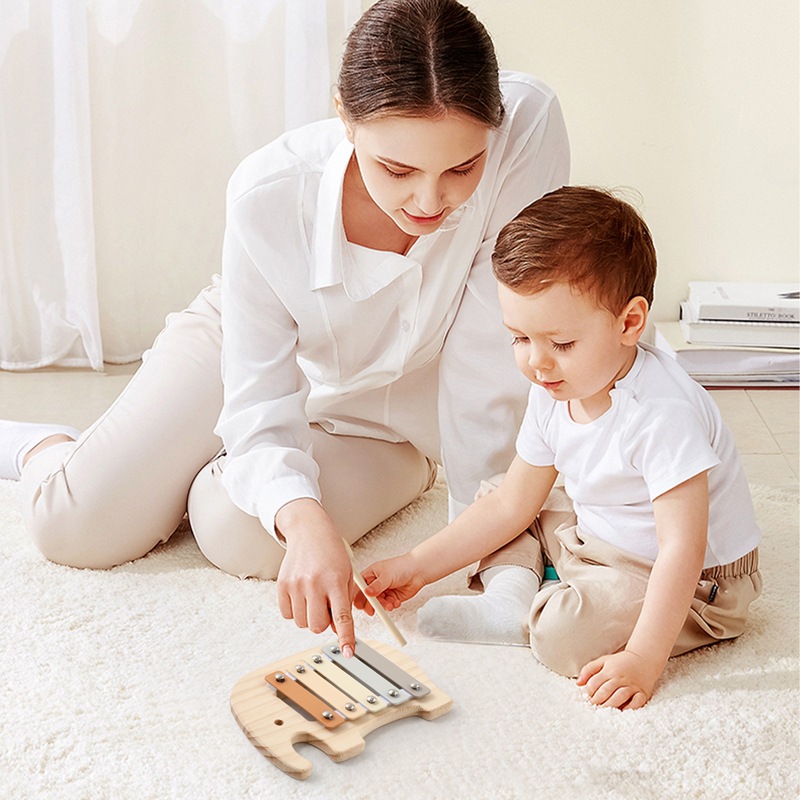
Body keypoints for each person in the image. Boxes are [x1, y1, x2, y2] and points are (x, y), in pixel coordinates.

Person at [0, 0, 569, 659]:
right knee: (73, 525)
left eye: (461, 170)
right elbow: (258, 395)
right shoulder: (268, 193)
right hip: (248, 346)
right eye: (398, 170)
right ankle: (49, 447)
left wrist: (484, 536)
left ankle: (260, 471)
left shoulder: (526, 126)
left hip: (393, 401)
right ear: (344, 117)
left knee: (233, 528)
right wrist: (300, 514)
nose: (429, 202)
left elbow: (489, 358)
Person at [358, 186, 762, 709]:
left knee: (562, 637)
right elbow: (513, 505)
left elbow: (682, 549)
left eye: (561, 343)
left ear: (630, 322)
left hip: (691, 580)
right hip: (599, 534)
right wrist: (414, 566)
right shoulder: (554, 385)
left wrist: (643, 658)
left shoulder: (662, 414)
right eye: (519, 339)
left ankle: (537, 593)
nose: (536, 363)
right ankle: (512, 598)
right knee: (500, 493)